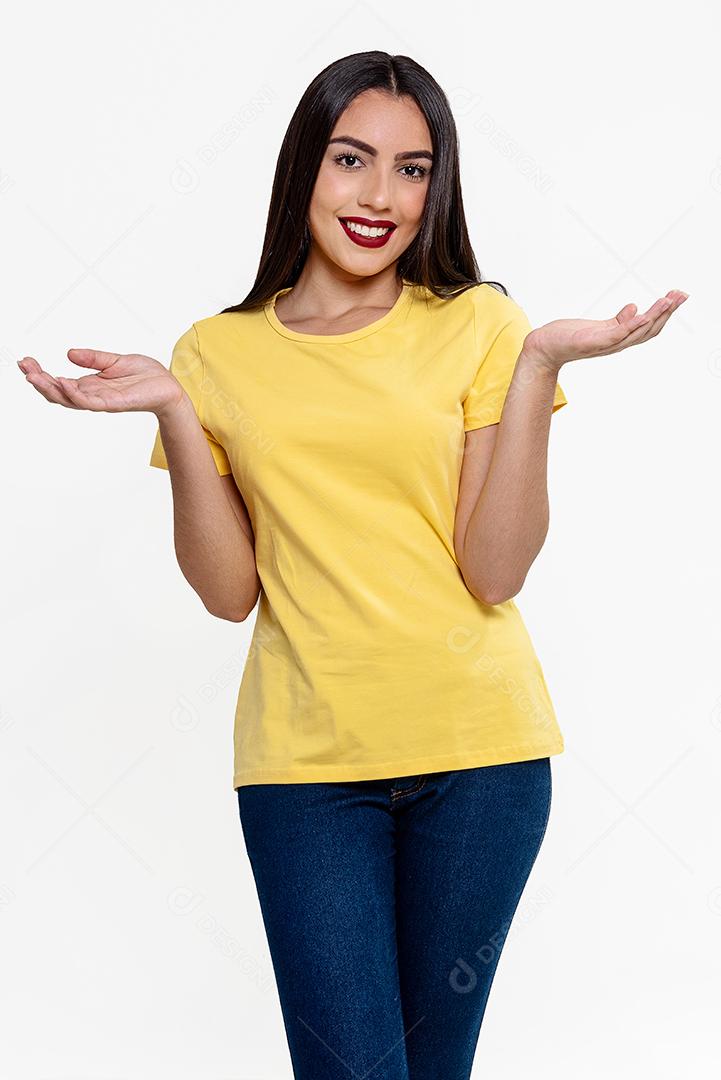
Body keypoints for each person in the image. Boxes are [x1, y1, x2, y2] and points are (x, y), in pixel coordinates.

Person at [18, 49, 687, 1080]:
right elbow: (227, 592)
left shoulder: (480, 325)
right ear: (305, 169)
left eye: (413, 169)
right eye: (352, 159)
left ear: (438, 186)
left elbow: (494, 571)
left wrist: (539, 369)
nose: (380, 196)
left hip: (481, 763)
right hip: (306, 771)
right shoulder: (213, 353)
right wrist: (175, 418)